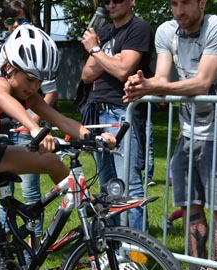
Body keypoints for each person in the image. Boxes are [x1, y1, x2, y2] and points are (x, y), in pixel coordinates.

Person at [123, 0, 217, 270]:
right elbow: (162, 80)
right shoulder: (166, 31)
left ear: (202, 2)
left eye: (186, 3)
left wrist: (152, 88)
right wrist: (143, 82)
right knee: (189, 204)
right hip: (188, 132)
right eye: (173, 4)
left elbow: (203, 83)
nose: (179, 10)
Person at [0, 23, 116, 216]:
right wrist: (34, 128)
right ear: (10, 68)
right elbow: (3, 99)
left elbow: (60, 119)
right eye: (29, 79)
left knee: (53, 162)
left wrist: (93, 136)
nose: (34, 87)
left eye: (39, 82)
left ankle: (88, 206)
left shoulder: (29, 95)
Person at [80, 0, 153, 232]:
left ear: (132, 1)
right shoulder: (104, 32)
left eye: (117, 0)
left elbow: (123, 71)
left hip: (122, 112)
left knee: (129, 183)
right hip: (98, 112)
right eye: (106, 1)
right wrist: (112, 58)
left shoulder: (138, 28)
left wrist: (97, 52)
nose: (111, 5)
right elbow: (86, 76)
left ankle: (136, 253)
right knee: (107, 185)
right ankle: (112, 245)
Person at [0, 0, 58, 239]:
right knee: (3, 189)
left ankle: (33, 241)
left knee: (30, 189)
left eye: (22, 20)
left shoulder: (38, 49)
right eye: (10, 20)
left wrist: (33, 123)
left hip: (27, 125)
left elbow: (47, 93)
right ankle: (2, 241)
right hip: (1, 126)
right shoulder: (0, 50)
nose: (16, 24)